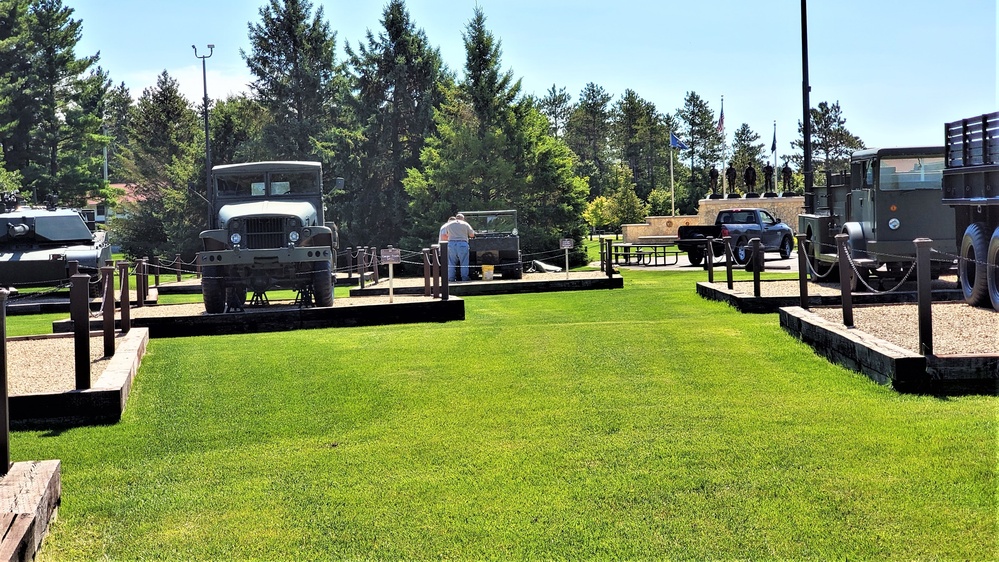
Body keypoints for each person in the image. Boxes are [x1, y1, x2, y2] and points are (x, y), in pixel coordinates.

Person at [444, 213, 475, 282]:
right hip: (462, 244)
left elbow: (446, 234)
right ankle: (464, 278)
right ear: (463, 218)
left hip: (451, 244)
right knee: (464, 262)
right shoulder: (465, 224)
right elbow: (472, 235)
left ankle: (451, 278)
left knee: (451, 262)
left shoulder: (449, 224)